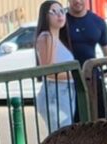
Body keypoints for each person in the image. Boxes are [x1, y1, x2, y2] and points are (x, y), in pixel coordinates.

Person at [66, 0, 107, 121]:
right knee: (76, 125)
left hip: (94, 80)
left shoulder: (98, 22)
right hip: (69, 82)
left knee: (101, 121)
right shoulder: (61, 22)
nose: (77, 1)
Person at [34, 1, 75, 132]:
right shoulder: (47, 37)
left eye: (62, 11)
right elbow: (48, 71)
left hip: (65, 91)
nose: (59, 15)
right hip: (55, 92)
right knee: (61, 136)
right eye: (54, 11)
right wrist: (75, 74)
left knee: (63, 135)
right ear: (45, 16)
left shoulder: (58, 39)